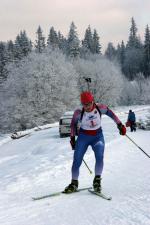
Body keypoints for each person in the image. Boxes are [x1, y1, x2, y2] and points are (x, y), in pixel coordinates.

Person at [64, 91, 126, 193]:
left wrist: (120, 125)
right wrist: (72, 138)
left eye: (89, 103)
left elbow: (111, 114)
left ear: (93, 101)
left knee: (99, 156)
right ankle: (74, 183)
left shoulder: (99, 107)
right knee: (77, 160)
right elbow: (73, 125)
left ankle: (97, 180)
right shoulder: (79, 112)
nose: (87, 106)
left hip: (97, 136)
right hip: (83, 137)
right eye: (84, 104)